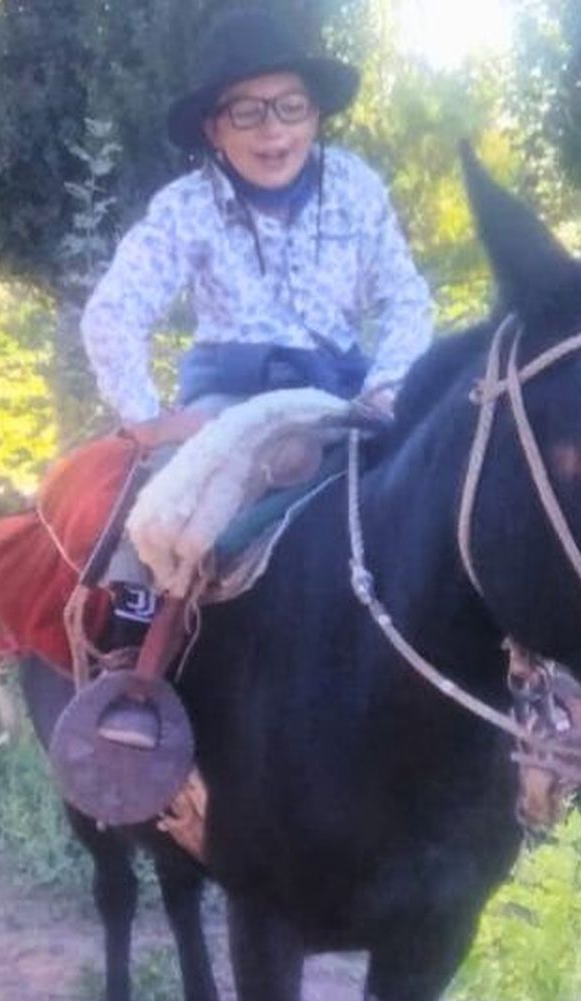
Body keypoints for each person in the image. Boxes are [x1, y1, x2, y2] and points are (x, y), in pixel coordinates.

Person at [79, 7, 434, 747]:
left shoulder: (357, 189)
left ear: (314, 113)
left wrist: (391, 386)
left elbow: (407, 298)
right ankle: (133, 660)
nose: (273, 132)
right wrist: (151, 419)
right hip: (229, 399)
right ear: (215, 127)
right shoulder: (186, 208)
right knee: (172, 494)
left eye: (290, 107)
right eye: (248, 112)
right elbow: (112, 313)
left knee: (442, 489)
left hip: (343, 397)